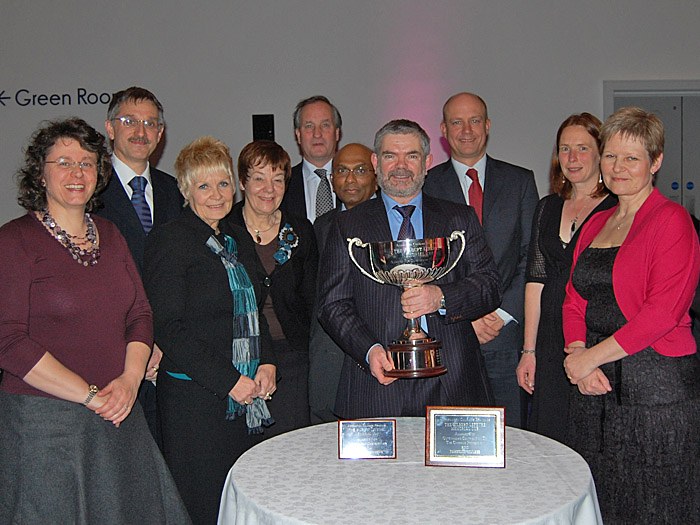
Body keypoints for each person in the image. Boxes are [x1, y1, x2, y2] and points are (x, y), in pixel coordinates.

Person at [0, 118, 190, 523]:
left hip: (119, 415)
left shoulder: (111, 233)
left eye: (87, 163)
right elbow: (9, 341)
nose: (77, 173)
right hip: (46, 428)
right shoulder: (14, 241)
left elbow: (140, 313)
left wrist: (129, 381)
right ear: (40, 172)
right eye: (64, 162)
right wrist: (90, 396)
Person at [562, 107, 700, 523]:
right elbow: (573, 299)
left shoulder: (671, 220)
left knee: (655, 507)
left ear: (655, 162)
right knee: (604, 502)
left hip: (655, 393)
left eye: (632, 158)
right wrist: (578, 352)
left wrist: (588, 359)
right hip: (596, 391)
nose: (617, 167)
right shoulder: (596, 222)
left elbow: (662, 314)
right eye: (610, 156)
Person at [318, 119, 500, 419]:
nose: (400, 166)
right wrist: (369, 350)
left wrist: (440, 297)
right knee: (377, 470)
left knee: (457, 470)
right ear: (376, 162)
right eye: (390, 156)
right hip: (377, 382)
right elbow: (333, 305)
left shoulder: (459, 219)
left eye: (411, 156)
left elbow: (489, 285)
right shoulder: (347, 226)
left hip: (453, 382)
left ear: (427, 162)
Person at [144, 136, 277, 524]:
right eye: (203, 185)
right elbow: (169, 329)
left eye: (222, 183)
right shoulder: (170, 240)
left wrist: (267, 363)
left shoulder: (235, 239)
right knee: (203, 507)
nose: (216, 194)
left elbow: (253, 307)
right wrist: (230, 380)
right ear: (186, 190)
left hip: (246, 396)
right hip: (196, 401)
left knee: (243, 502)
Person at [424, 92, 539, 428]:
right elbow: (427, 264)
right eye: (457, 122)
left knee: (510, 435)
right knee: (453, 435)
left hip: (505, 334)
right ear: (444, 130)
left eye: (474, 120)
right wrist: (462, 318)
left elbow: (531, 257)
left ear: (487, 126)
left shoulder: (520, 181)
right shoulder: (427, 185)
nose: (467, 130)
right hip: (451, 336)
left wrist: (501, 314)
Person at [515, 113, 615, 442]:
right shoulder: (547, 208)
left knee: (591, 436)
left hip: (595, 338)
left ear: (602, 152)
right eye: (565, 149)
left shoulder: (617, 209)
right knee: (550, 435)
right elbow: (535, 281)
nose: (572, 159)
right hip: (548, 340)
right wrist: (528, 352)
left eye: (582, 148)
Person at [96, 86, 184, 446]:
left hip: (169, 356)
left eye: (150, 123)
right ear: (110, 128)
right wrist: (137, 346)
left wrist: (160, 342)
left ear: (160, 134)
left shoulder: (175, 191)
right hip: (110, 357)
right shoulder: (89, 191)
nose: (141, 131)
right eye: (130, 121)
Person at [228, 140, 318, 436]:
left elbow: (312, 299)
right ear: (242, 181)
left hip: (292, 359)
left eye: (277, 179)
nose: (269, 188)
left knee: (291, 448)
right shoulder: (225, 229)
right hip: (237, 356)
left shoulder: (301, 230)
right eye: (259, 178)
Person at [309, 143, 377, 423]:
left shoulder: (395, 223)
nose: (350, 179)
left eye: (360, 170)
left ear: (376, 176)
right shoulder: (321, 227)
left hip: (378, 353)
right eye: (342, 171)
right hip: (329, 358)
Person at [281, 95, 342, 223]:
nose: (317, 134)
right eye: (309, 126)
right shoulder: (282, 184)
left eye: (325, 125)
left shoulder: (356, 182)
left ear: (337, 133)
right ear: (298, 135)